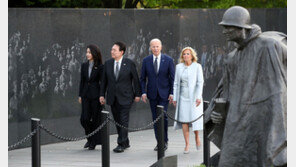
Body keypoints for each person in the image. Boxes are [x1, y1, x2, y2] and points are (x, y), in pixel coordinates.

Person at [205, 6, 287, 166]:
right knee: (229, 162)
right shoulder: (232, 58)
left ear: (241, 27)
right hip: (238, 122)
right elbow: (225, 93)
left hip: (266, 117)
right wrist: (216, 113)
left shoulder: (268, 45)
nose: (224, 31)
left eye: (228, 27)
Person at [100, 41, 141, 153]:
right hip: (113, 97)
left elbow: (135, 80)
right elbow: (104, 81)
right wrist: (102, 95)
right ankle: (125, 141)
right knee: (117, 120)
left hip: (126, 97)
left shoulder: (129, 63)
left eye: (114, 50)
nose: (112, 51)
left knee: (123, 120)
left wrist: (138, 94)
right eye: (111, 49)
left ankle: (121, 144)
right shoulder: (108, 63)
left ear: (121, 52)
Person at [140, 38, 175, 151]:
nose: (155, 48)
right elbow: (142, 78)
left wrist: (172, 93)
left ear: (161, 47)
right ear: (150, 48)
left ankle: (164, 141)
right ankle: (159, 142)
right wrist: (143, 92)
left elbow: (172, 78)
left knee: (163, 117)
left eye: (157, 46)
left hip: (164, 94)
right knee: (155, 118)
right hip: (152, 94)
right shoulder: (146, 60)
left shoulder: (168, 60)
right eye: (153, 46)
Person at [172, 47, 204, 154]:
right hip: (182, 97)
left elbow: (200, 83)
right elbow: (176, 83)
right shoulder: (178, 67)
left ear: (192, 55)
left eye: (188, 54)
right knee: (184, 121)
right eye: (184, 54)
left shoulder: (197, 66)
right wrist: (175, 98)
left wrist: (198, 97)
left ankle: (197, 137)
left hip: (194, 97)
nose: (186, 56)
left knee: (194, 119)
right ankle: (187, 144)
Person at [78, 44, 104, 150]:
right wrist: (80, 95)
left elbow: (102, 83)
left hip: (95, 96)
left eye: (89, 52)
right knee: (84, 119)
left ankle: (92, 141)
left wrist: (102, 95)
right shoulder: (84, 65)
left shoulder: (100, 66)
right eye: (87, 52)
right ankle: (90, 138)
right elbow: (82, 81)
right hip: (85, 96)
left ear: (94, 53)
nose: (87, 54)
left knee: (95, 119)